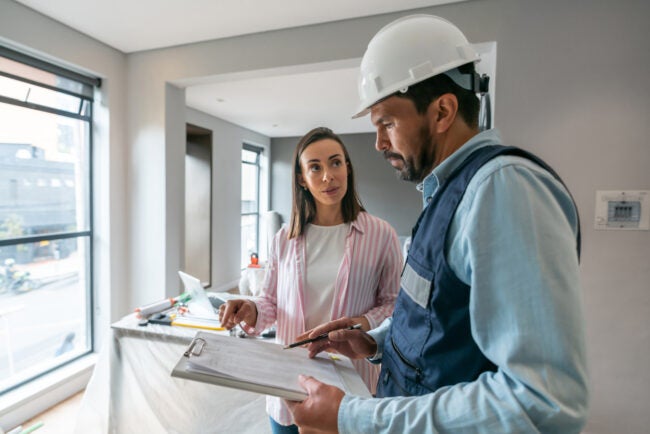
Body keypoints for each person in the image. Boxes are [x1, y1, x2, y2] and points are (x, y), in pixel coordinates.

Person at [286, 14, 589, 433]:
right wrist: (374, 340)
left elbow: (542, 400)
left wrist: (350, 417)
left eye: (387, 123)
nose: (378, 144)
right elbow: (439, 321)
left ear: (443, 111)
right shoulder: (449, 195)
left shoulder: (503, 190)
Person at [219, 127, 402, 434]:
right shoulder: (284, 239)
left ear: (347, 168)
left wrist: (360, 322)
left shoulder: (382, 234)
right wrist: (250, 309)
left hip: (352, 392)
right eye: (315, 167)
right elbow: (270, 303)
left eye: (335, 163)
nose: (328, 175)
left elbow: (394, 304)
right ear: (302, 178)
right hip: (290, 389)